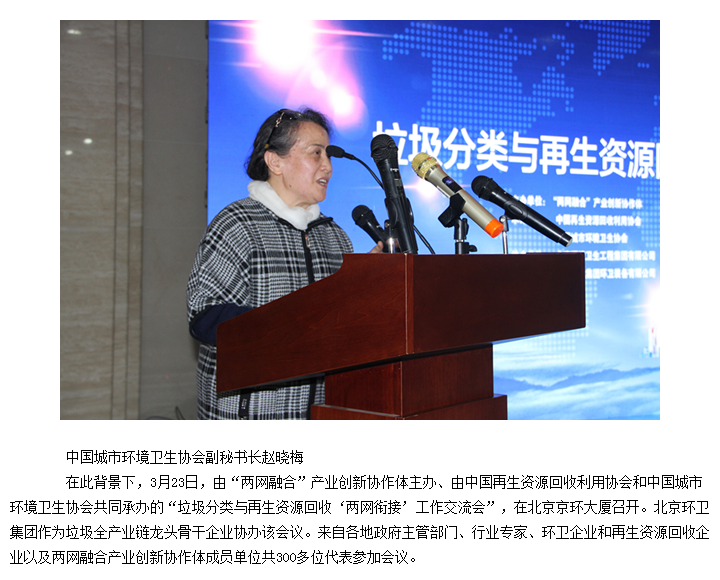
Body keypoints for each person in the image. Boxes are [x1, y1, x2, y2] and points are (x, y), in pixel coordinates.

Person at [187, 107, 379, 420]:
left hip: (319, 414)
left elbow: (338, 322)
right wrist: (295, 322)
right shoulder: (237, 224)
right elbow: (204, 316)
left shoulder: (334, 236)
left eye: (328, 155)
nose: (328, 167)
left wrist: (365, 283)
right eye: (315, 153)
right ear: (275, 162)